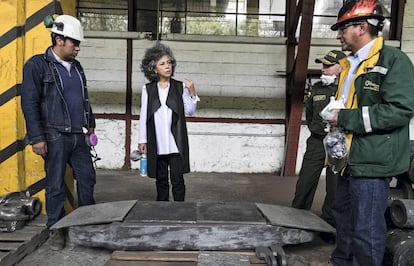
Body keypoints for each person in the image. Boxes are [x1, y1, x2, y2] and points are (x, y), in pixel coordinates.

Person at [312, 1, 414, 265]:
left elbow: (400, 110)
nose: (338, 35)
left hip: (372, 162)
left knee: (366, 229)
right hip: (346, 161)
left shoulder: (393, 61)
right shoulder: (349, 65)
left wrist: (344, 117)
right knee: (343, 219)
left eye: (342, 28)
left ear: (361, 27)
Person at [21, 14, 96, 251]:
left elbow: (83, 97)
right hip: (53, 135)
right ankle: (56, 230)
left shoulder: (77, 67)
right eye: (74, 43)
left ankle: (87, 225)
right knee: (55, 185)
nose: (78, 48)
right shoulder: (36, 65)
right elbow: (29, 103)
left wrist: (90, 121)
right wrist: (36, 137)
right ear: (59, 40)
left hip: (78, 134)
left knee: (87, 178)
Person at [138, 42, 199, 201]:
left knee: (178, 180)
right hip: (157, 142)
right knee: (161, 180)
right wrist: (142, 140)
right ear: (154, 68)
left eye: (169, 62)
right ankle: (162, 210)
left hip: (175, 142)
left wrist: (192, 91)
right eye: (162, 63)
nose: (167, 66)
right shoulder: (148, 89)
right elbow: (144, 115)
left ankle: (180, 210)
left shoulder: (180, 87)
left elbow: (190, 111)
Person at [292, 50, 345, 227]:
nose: (323, 69)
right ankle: (296, 221)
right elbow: (309, 114)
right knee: (305, 183)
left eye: (328, 66)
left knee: (335, 187)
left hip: (339, 143)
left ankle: (329, 224)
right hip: (316, 141)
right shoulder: (316, 89)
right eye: (322, 65)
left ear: (341, 67)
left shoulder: (348, 89)